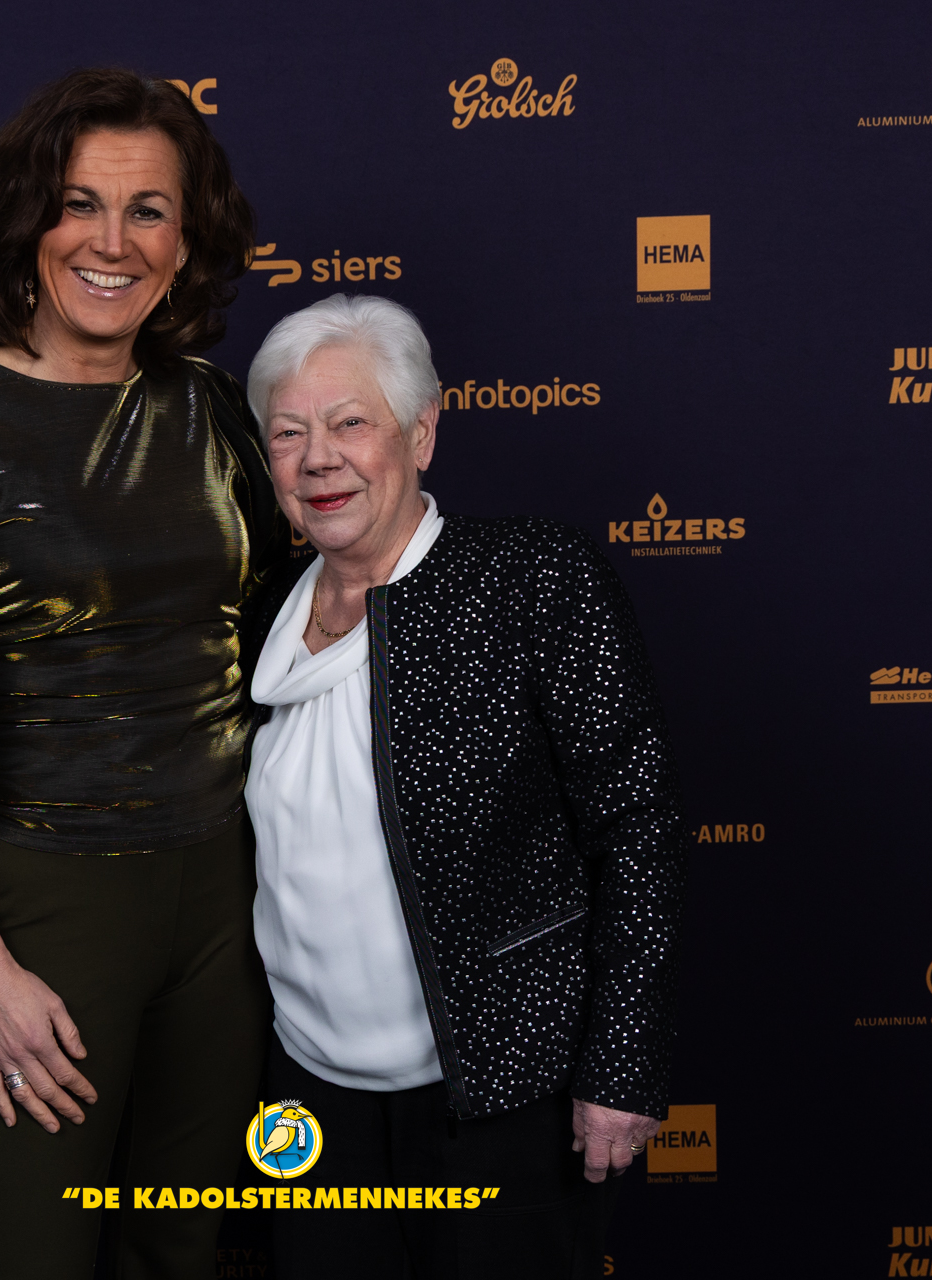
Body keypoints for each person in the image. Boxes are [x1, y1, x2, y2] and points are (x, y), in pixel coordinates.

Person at [0, 68, 280, 1279]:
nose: (111, 241)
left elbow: (296, 636)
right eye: (79, 203)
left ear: (186, 242)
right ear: (29, 222)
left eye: (147, 211)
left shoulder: (217, 411)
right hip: (49, 901)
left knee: (186, 1247)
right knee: (37, 1253)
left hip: (231, 895)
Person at [241, 294, 687, 1278]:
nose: (318, 459)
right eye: (288, 433)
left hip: (503, 1094)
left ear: (422, 433)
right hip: (308, 1099)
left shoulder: (532, 580)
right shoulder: (262, 612)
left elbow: (638, 827)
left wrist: (622, 1060)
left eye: (350, 423)